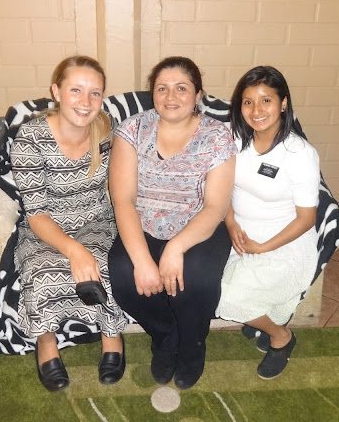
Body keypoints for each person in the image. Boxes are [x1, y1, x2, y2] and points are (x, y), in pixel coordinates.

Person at [108, 56, 236, 390]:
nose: (171, 96)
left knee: (195, 278)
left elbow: (215, 206)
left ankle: (193, 344)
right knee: (124, 275)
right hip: (144, 223)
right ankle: (165, 336)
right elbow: (124, 200)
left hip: (199, 226)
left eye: (181, 88)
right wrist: (142, 262)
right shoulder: (132, 130)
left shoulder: (217, 136)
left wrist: (176, 248)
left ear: (198, 95)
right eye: (162, 88)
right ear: (152, 93)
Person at [10, 55, 127, 391]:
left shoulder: (107, 130)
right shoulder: (30, 139)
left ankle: (111, 336)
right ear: (56, 92)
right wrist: (74, 251)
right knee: (41, 274)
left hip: (97, 221)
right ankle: (46, 342)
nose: (86, 101)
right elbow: (36, 213)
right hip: (46, 226)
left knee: (106, 268)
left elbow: (123, 184)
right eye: (76, 90)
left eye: (95, 93)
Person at [215, 66, 320, 380]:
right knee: (205, 282)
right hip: (239, 232)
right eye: (248, 102)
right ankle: (261, 316)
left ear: (283, 103)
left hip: (283, 239)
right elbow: (222, 191)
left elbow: (307, 218)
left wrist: (262, 247)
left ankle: (280, 336)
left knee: (226, 297)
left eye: (266, 101)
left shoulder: (300, 153)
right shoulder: (235, 140)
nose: (256, 110)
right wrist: (231, 223)